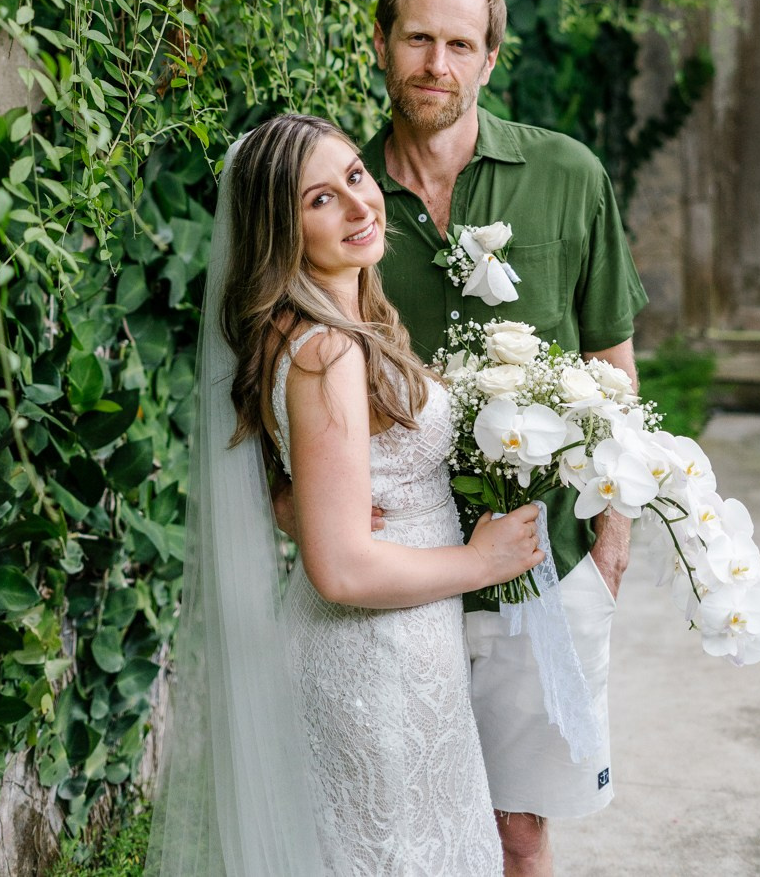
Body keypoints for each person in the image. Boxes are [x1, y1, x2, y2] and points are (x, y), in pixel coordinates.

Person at [146, 112, 544, 877]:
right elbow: (345, 571)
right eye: (320, 199)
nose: (361, 206)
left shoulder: (333, 324)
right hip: (374, 655)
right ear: (279, 230)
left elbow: (310, 480)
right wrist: (482, 559)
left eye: (356, 176)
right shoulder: (326, 349)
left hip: (400, 642)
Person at [361, 0, 648, 877]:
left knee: (517, 832)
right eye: (417, 39)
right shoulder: (340, 200)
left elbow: (611, 360)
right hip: (399, 567)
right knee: (399, 828)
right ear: (381, 45)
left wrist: (612, 537)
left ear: (490, 59)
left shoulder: (566, 174)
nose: (435, 63)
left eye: (459, 43)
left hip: (543, 559)